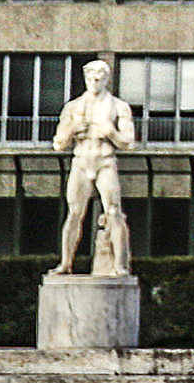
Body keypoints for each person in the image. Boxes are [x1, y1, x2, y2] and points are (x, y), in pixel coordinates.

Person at [52, 57, 135, 277]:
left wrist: (111, 132)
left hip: (104, 161)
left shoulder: (118, 106)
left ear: (107, 79)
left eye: (99, 77)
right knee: (74, 213)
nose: (94, 81)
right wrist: (72, 128)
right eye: (90, 77)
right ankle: (65, 263)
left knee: (113, 211)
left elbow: (128, 142)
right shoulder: (73, 107)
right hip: (81, 161)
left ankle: (119, 265)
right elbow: (58, 143)